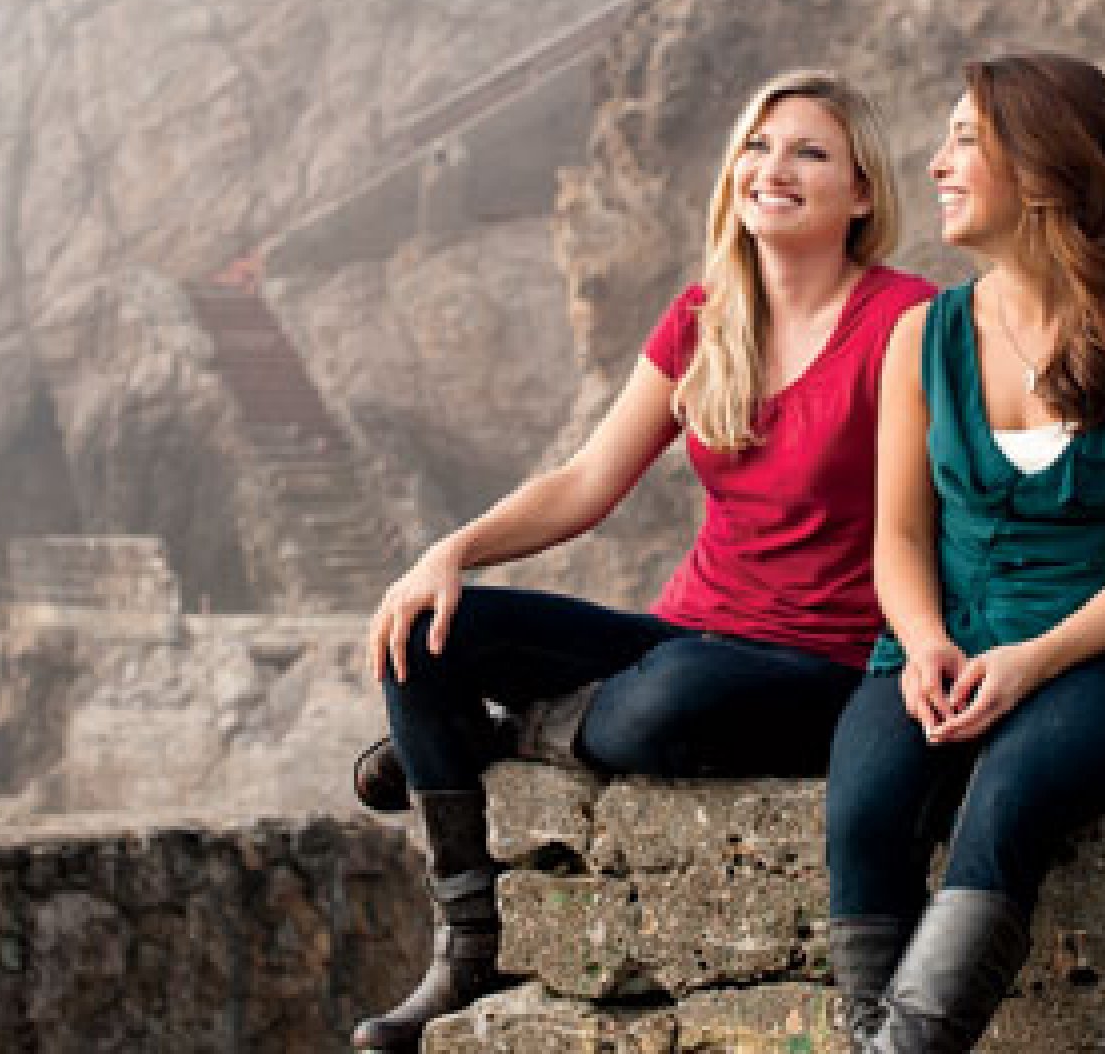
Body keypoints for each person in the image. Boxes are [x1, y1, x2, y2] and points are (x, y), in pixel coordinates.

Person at [347, 68, 935, 1051]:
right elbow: (587, 481)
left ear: (863, 192)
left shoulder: (906, 321)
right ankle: (468, 946)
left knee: (667, 699)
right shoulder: (706, 315)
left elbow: (938, 512)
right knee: (425, 634)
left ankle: (502, 735)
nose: (774, 169)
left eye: (809, 153)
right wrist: (450, 552)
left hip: (820, 665)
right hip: (687, 635)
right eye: (758, 146)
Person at [823, 52, 1105, 1052]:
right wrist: (925, 643)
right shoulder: (921, 337)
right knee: (865, 806)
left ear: (1042, 169)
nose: (935, 164)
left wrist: (1031, 663)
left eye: (965, 139)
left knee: (1009, 792)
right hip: (948, 646)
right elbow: (899, 536)